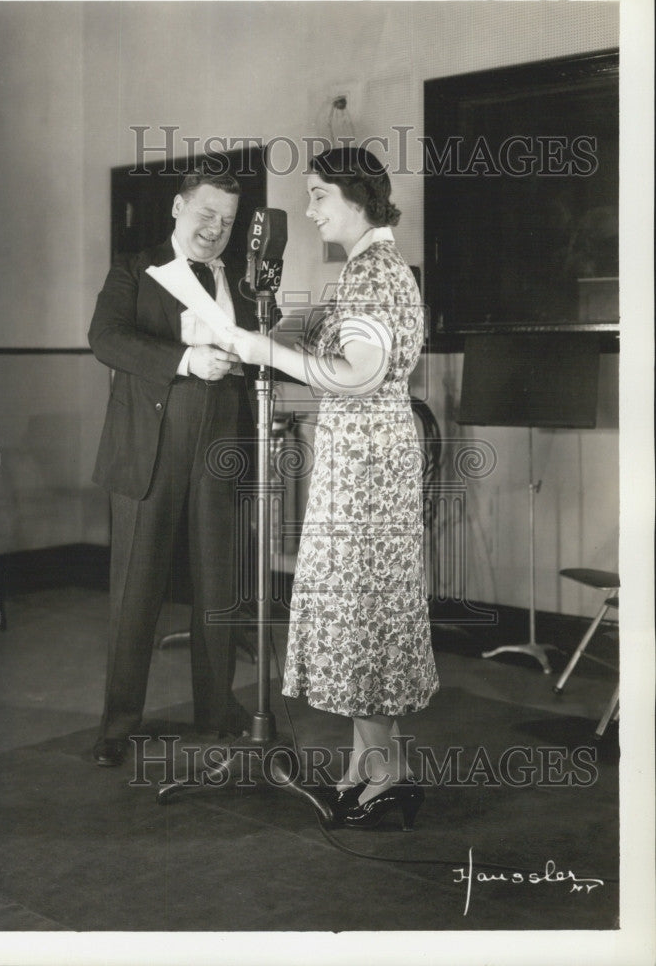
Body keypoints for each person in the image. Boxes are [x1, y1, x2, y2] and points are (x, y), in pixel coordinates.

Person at [223, 146, 439, 828]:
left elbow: (357, 375)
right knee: (360, 608)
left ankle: (385, 773)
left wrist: (268, 354)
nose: (311, 209)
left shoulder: (374, 273)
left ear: (355, 198)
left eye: (319, 195)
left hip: (368, 469)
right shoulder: (370, 270)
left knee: (363, 611)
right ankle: (366, 766)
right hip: (363, 460)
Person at [88, 169, 256, 767]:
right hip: (148, 450)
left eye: (228, 222)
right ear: (179, 207)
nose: (216, 230)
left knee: (218, 591)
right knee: (136, 593)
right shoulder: (134, 268)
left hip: (219, 447)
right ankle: (119, 724)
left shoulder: (238, 278)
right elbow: (104, 338)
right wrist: (184, 359)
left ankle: (217, 712)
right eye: (206, 215)